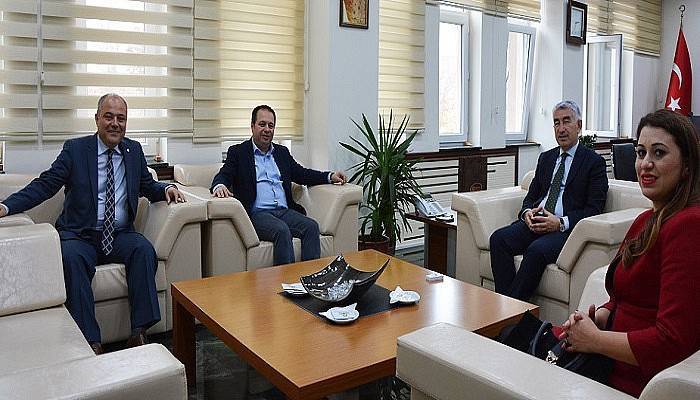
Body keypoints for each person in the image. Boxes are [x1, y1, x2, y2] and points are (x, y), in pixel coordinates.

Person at [0, 94, 187, 355]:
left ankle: (139, 333)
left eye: (121, 118)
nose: (115, 123)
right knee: (72, 259)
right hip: (80, 235)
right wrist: (6, 206)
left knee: (144, 250)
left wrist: (166, 188)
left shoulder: (133, 151)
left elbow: (146, 184)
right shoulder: (76, 150)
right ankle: (90, 342)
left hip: (119, 234)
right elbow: (46, 184)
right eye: (108, 117)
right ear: (97, 119)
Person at [560, 109, 700, 397]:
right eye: (640, 153)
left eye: (659, 153)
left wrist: (596, 341)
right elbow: (625, 296)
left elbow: (672, 341)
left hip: (632, 380)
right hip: (603, 360)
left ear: (687, 166)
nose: (645, 164)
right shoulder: (644, 220)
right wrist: (602, 315)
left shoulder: (689, 225)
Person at [489, 100, 608, 300]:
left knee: (535, 251)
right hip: (536, 221)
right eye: (556, 123)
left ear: (578, 125)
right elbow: (531, 197)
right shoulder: (546, 158)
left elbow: (594, 209)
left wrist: (560, 222)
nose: (561, 129)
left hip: (565, 230)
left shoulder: (594, 162)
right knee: (498, 239)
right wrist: (527, 213)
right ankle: (507, 307)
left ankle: (511, 313)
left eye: (566, 121)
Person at [211, 105, 347, 265]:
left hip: (284, 211)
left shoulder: (282, 152)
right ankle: (287, 280)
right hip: (257, 213)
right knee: (282, 230)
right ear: (252, 126)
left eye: (271, 125)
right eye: (262, 124)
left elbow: (302, 173)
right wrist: (219, 185)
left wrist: (329, 176)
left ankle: (311, 278)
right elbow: (224, 174)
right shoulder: (238, 152)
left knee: (311, 226)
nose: (267, 129)